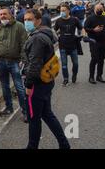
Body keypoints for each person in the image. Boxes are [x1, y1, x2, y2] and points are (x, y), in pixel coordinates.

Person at [22, 9, 70, 149]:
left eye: (30, 19)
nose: (26, 22)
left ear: (38, 20)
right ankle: (64, 144)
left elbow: (34, 64)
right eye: (25, 19)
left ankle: (32, 146)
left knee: (34, 119)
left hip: (37, 83)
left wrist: (29, 85)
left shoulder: (37, 38)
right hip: (46, 81)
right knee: (47, 114)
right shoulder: (45, 34)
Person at [0, 7, 28, 121]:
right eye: (1, 14)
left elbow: (24, 44)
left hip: (15, 62)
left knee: (19, 87)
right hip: (1, 62)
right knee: (5, 87)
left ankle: (25, 111)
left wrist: (23, 60)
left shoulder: (19, 26)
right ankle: (8, 107)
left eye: (5, 14)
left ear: (10, 15)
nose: (2, 16)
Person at [54, 4, 83, 86]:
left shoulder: (74, 19)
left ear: (68, 11)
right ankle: (66, 79)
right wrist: (56, 36)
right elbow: (54, 31)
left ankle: (74, 75)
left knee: (76, 64)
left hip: (73, 45)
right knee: (64, 65)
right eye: (61, 11)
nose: (62, 12)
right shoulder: (58, 21)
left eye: (63, 10)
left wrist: (83, 35)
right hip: (63, 45)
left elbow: (81, 28)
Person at [84, 3, 105, 84]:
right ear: (94, 9)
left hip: (103, 42)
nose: (99, 10)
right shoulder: (90, 18)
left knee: (101, 60)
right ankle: (91, 77)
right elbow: (85, 28)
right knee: (94, 59)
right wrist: (93, 30)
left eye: (101, 9)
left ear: (103, 9)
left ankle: (99, 76)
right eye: (98, 9)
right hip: (94, 42)